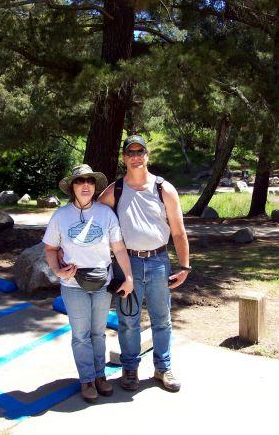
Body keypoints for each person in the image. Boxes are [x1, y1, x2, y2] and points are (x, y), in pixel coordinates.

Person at [99, 134, 191, 392]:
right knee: (128, 319)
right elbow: (95, 219)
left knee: (162, 318)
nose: (136, 157)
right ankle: (130, 368)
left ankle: (163, 368)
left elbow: (179, 231)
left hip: (159, 261)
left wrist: (185, 266)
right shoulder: (114, 191)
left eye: (140, 152)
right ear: (124, 158)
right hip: (127, 264)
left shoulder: (164, 189)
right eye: (131, 153)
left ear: (147, 156)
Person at [43, 164, 133, 403]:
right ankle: (86, 380)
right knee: (81, 335)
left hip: (102, 283)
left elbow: (119, 248)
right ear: (72, 187)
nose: (85, 185)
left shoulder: (106, 214)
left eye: (90, 181)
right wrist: (57, 271)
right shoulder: (61, 216)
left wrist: (129, 277)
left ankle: (100, 376)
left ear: (95, 186)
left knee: (98, 333)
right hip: (73, 285)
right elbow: (51, 248)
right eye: (80, 181)